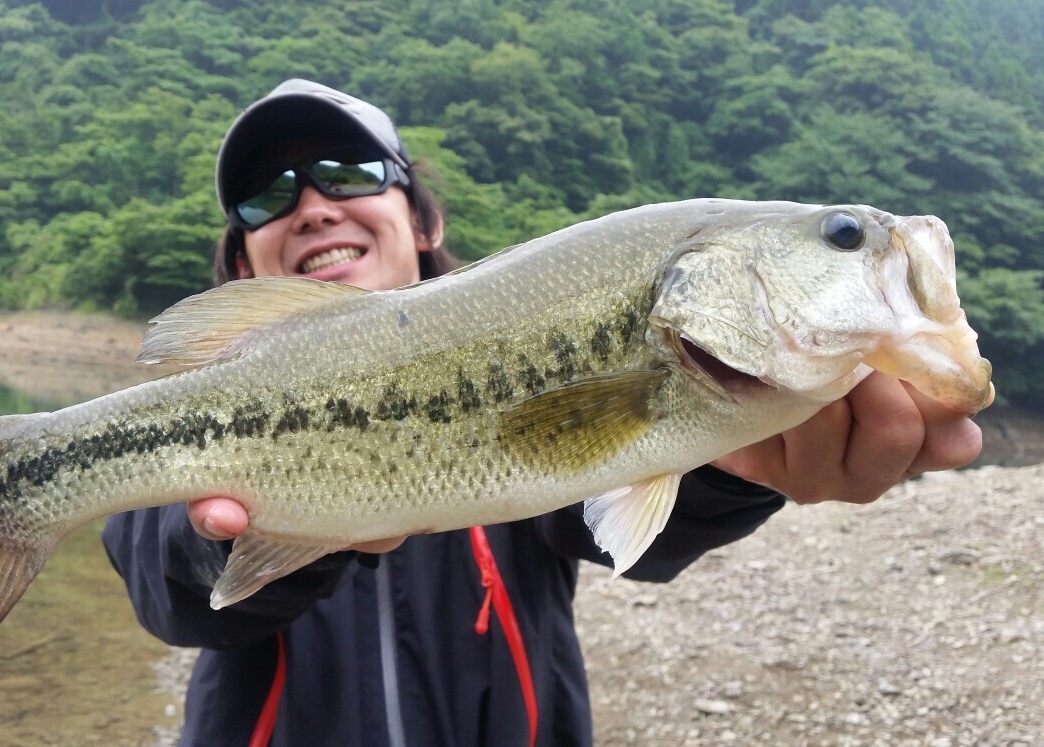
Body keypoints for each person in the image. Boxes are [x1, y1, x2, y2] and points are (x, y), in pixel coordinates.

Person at [103, 79, 983, 747]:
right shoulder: (207, 396)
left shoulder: (547, 335)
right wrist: (218, 532)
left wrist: (740, 462)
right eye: (268, 196)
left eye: (348, 172)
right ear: (242, 264)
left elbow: (615, 523)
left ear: (421, 218)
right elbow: (164, 583)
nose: (313, 204)